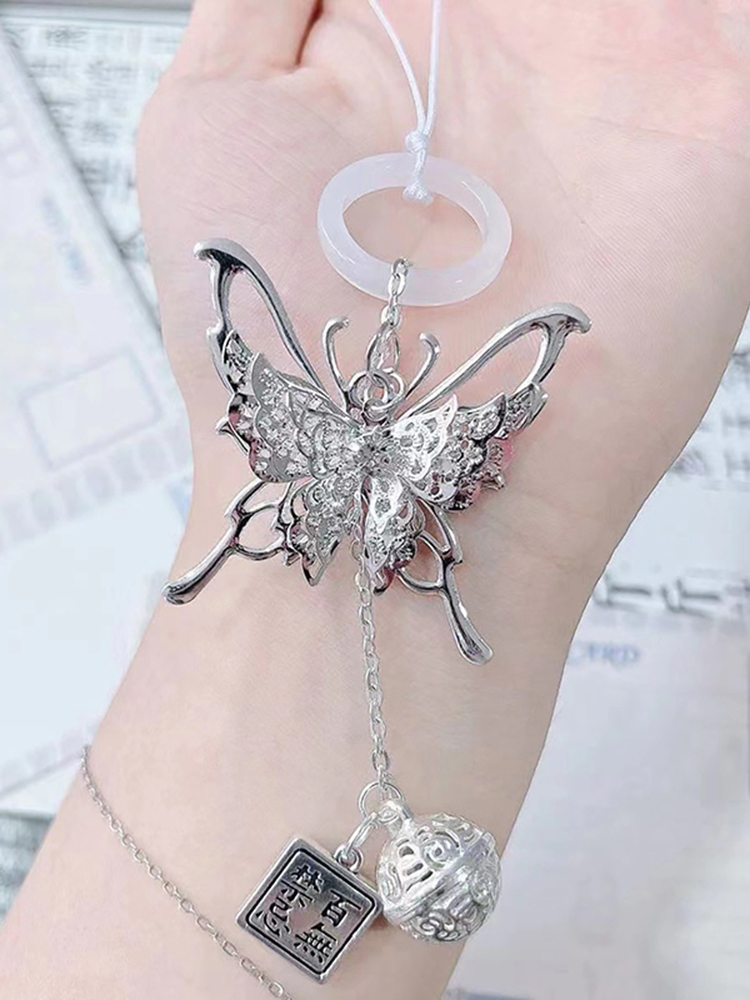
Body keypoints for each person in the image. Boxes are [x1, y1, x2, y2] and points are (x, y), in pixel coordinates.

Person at [1, 2, 749, 997]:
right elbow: (251, 349)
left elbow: (474, 386)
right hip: (356, 494)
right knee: (295, 531)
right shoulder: (354, 392)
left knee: (332, 535)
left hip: (369, 496)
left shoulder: (385, 398)